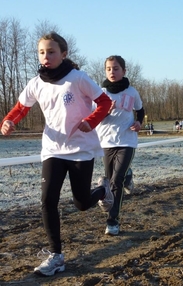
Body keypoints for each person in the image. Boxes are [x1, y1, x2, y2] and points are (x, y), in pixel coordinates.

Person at [0, 32, 113, 276]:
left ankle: (103, 190)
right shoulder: (36, 83)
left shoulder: (78, 78)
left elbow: (105, 103)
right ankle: (56, 255)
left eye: (51, 52)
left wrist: (90, 121)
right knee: (47, 200)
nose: (46, 57)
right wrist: (9, 121)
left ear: (63, 54)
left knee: (81, 203)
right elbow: (20, 108)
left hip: (80, 149)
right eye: (42, 52)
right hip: (52, 149)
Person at [95, 55, 144, 236]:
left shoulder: (131, 92)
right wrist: (105, 111)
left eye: (116, 68)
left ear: (124, 71)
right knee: (109, 182)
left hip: (127, 140)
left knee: (116, 181)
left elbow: (140, 110)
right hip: (106, 141)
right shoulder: (100, 93)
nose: (112, 72)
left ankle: (112, 221)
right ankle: (128, 174)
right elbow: (94, 117)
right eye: (108, 69)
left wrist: (139, 123)